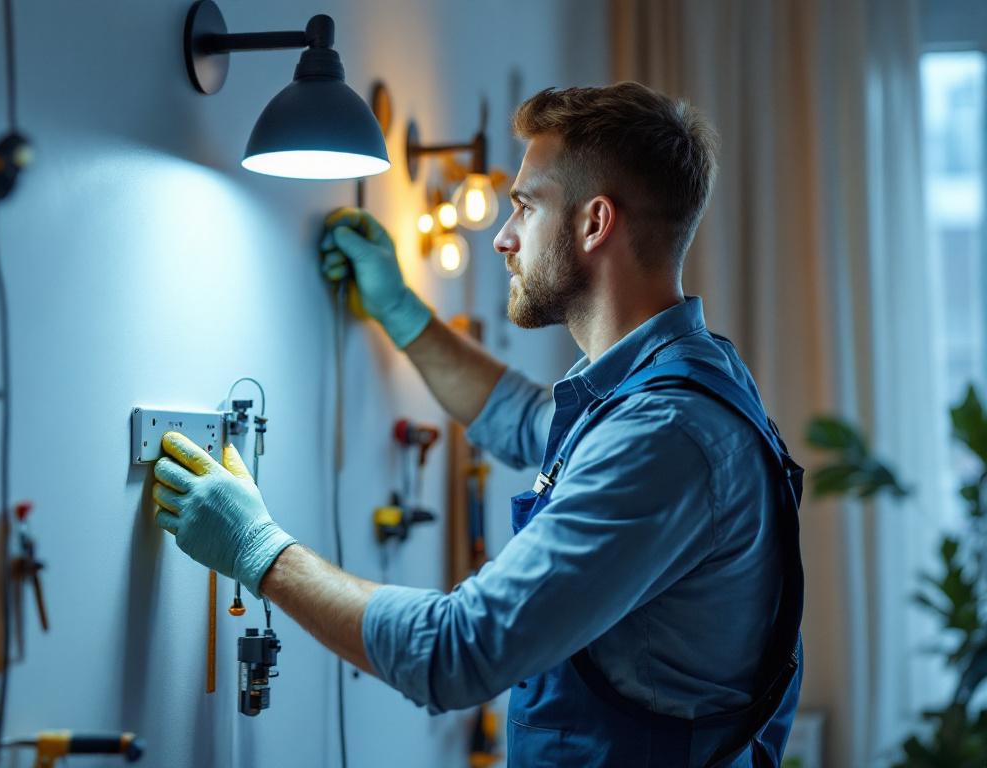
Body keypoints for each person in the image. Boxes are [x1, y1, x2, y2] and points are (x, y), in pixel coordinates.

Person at [150, 82, 803, 767]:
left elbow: (458, 651)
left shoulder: (665, 434)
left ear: (593, 223)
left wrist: (257, 550)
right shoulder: (678, 379)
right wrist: (402, 311)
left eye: (525, 206)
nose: (503, 238)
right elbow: (523, 417)